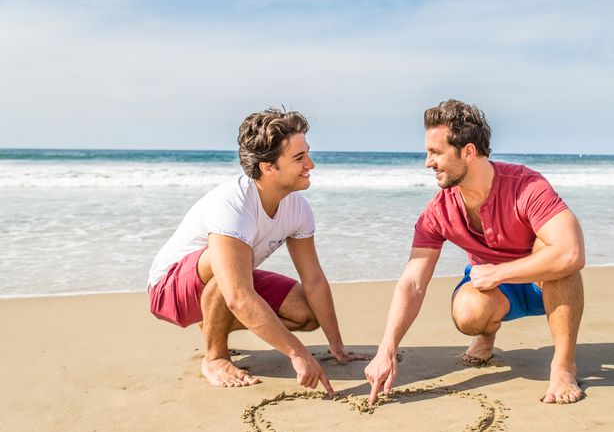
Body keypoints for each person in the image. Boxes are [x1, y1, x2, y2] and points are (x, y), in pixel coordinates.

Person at [364, 99, 585, 405]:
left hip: (542, 284)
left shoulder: (526, 186)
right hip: (495, 288)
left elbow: (571, 253)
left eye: (436, 152)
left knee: (558, 257)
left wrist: (498, 271)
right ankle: (486, 333)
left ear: (467, 152)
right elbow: (413, 282)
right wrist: (386, 350)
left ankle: (563, 365)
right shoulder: (438, 211)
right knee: (467, 312)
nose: (428, 162)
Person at [148, 108, 365, 390]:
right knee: (230, 267)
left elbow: (313, 280)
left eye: (307, 153)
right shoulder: (233, 206)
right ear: (268, 167)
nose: (310, 164)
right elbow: (238, 295)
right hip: (170, 291)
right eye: (299, 158)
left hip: (226, 284)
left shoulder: (298, 208)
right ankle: (214, 357)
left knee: (307, 314)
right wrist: (297, 353)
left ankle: (213, 322)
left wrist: (336, 345)